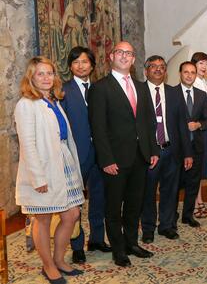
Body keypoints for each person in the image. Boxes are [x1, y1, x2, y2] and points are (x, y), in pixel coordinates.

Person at [88, 41, 159, 267]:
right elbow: (97, 128)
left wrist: (153, 150)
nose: (124, 56)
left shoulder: (141, 86)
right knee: (113, 207)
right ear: (111, 56)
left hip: (140, 157)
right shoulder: (100, 88)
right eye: (120, 52)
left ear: (134, 59)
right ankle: (118, 250)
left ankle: (131, 243)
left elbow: (149, 122)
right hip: (115, 161)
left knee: (134, 205)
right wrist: (106, 159)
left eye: (129, 53)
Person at [15, 56, 84, 283]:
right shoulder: (26, 104)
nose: (46, 78)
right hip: (43, 168)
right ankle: (48, 266)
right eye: (40, 74)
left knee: (72, 214)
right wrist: (37, 176)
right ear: (31, 78)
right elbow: (28, 143)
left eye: (50, 73)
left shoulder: (52, 100)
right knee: (42, 218)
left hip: (63, 162)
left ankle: (59, 260)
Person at [61, 47, 111, 265]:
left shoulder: (101, 89)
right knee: (75, 203)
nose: (81, 66)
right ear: (70, 66)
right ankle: (77, 245)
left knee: (99, 198)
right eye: (76, 62)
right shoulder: (63, 90)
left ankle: (97, 239)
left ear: (92, 65)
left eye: (85, 62)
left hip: (100, 154)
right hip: (75, 154)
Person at [140, 56, 193, 243]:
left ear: (166, 72)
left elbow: (182, 124)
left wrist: (187, 153)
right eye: (153, 66)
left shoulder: (174, 93)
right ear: (146, 70)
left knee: (170, 191)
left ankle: (167, 225)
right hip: (148, 152)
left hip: (172, 151)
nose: (157, 69)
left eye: (161, 67)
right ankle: (147, 228)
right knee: (147, 192)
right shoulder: (138, 92)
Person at [177, 61, 207, 225]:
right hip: (177, 147)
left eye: (192, 72)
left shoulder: (201, 94)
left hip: (196, 145)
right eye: (186, 72)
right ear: (180, 74)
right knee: (175, 184)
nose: (189, 75)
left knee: (193, 183)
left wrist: (198, 124)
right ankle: (170, 216)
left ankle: (188, 215)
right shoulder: (171, 93)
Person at [190, 52, 207, 215]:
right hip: (195, 131)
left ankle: (199, 200)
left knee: (199, 168)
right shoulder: (194, 83)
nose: (204, 67)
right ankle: (195, 203)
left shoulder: (203, 82)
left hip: (203, 129)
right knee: (195, 168)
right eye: (201, 63)